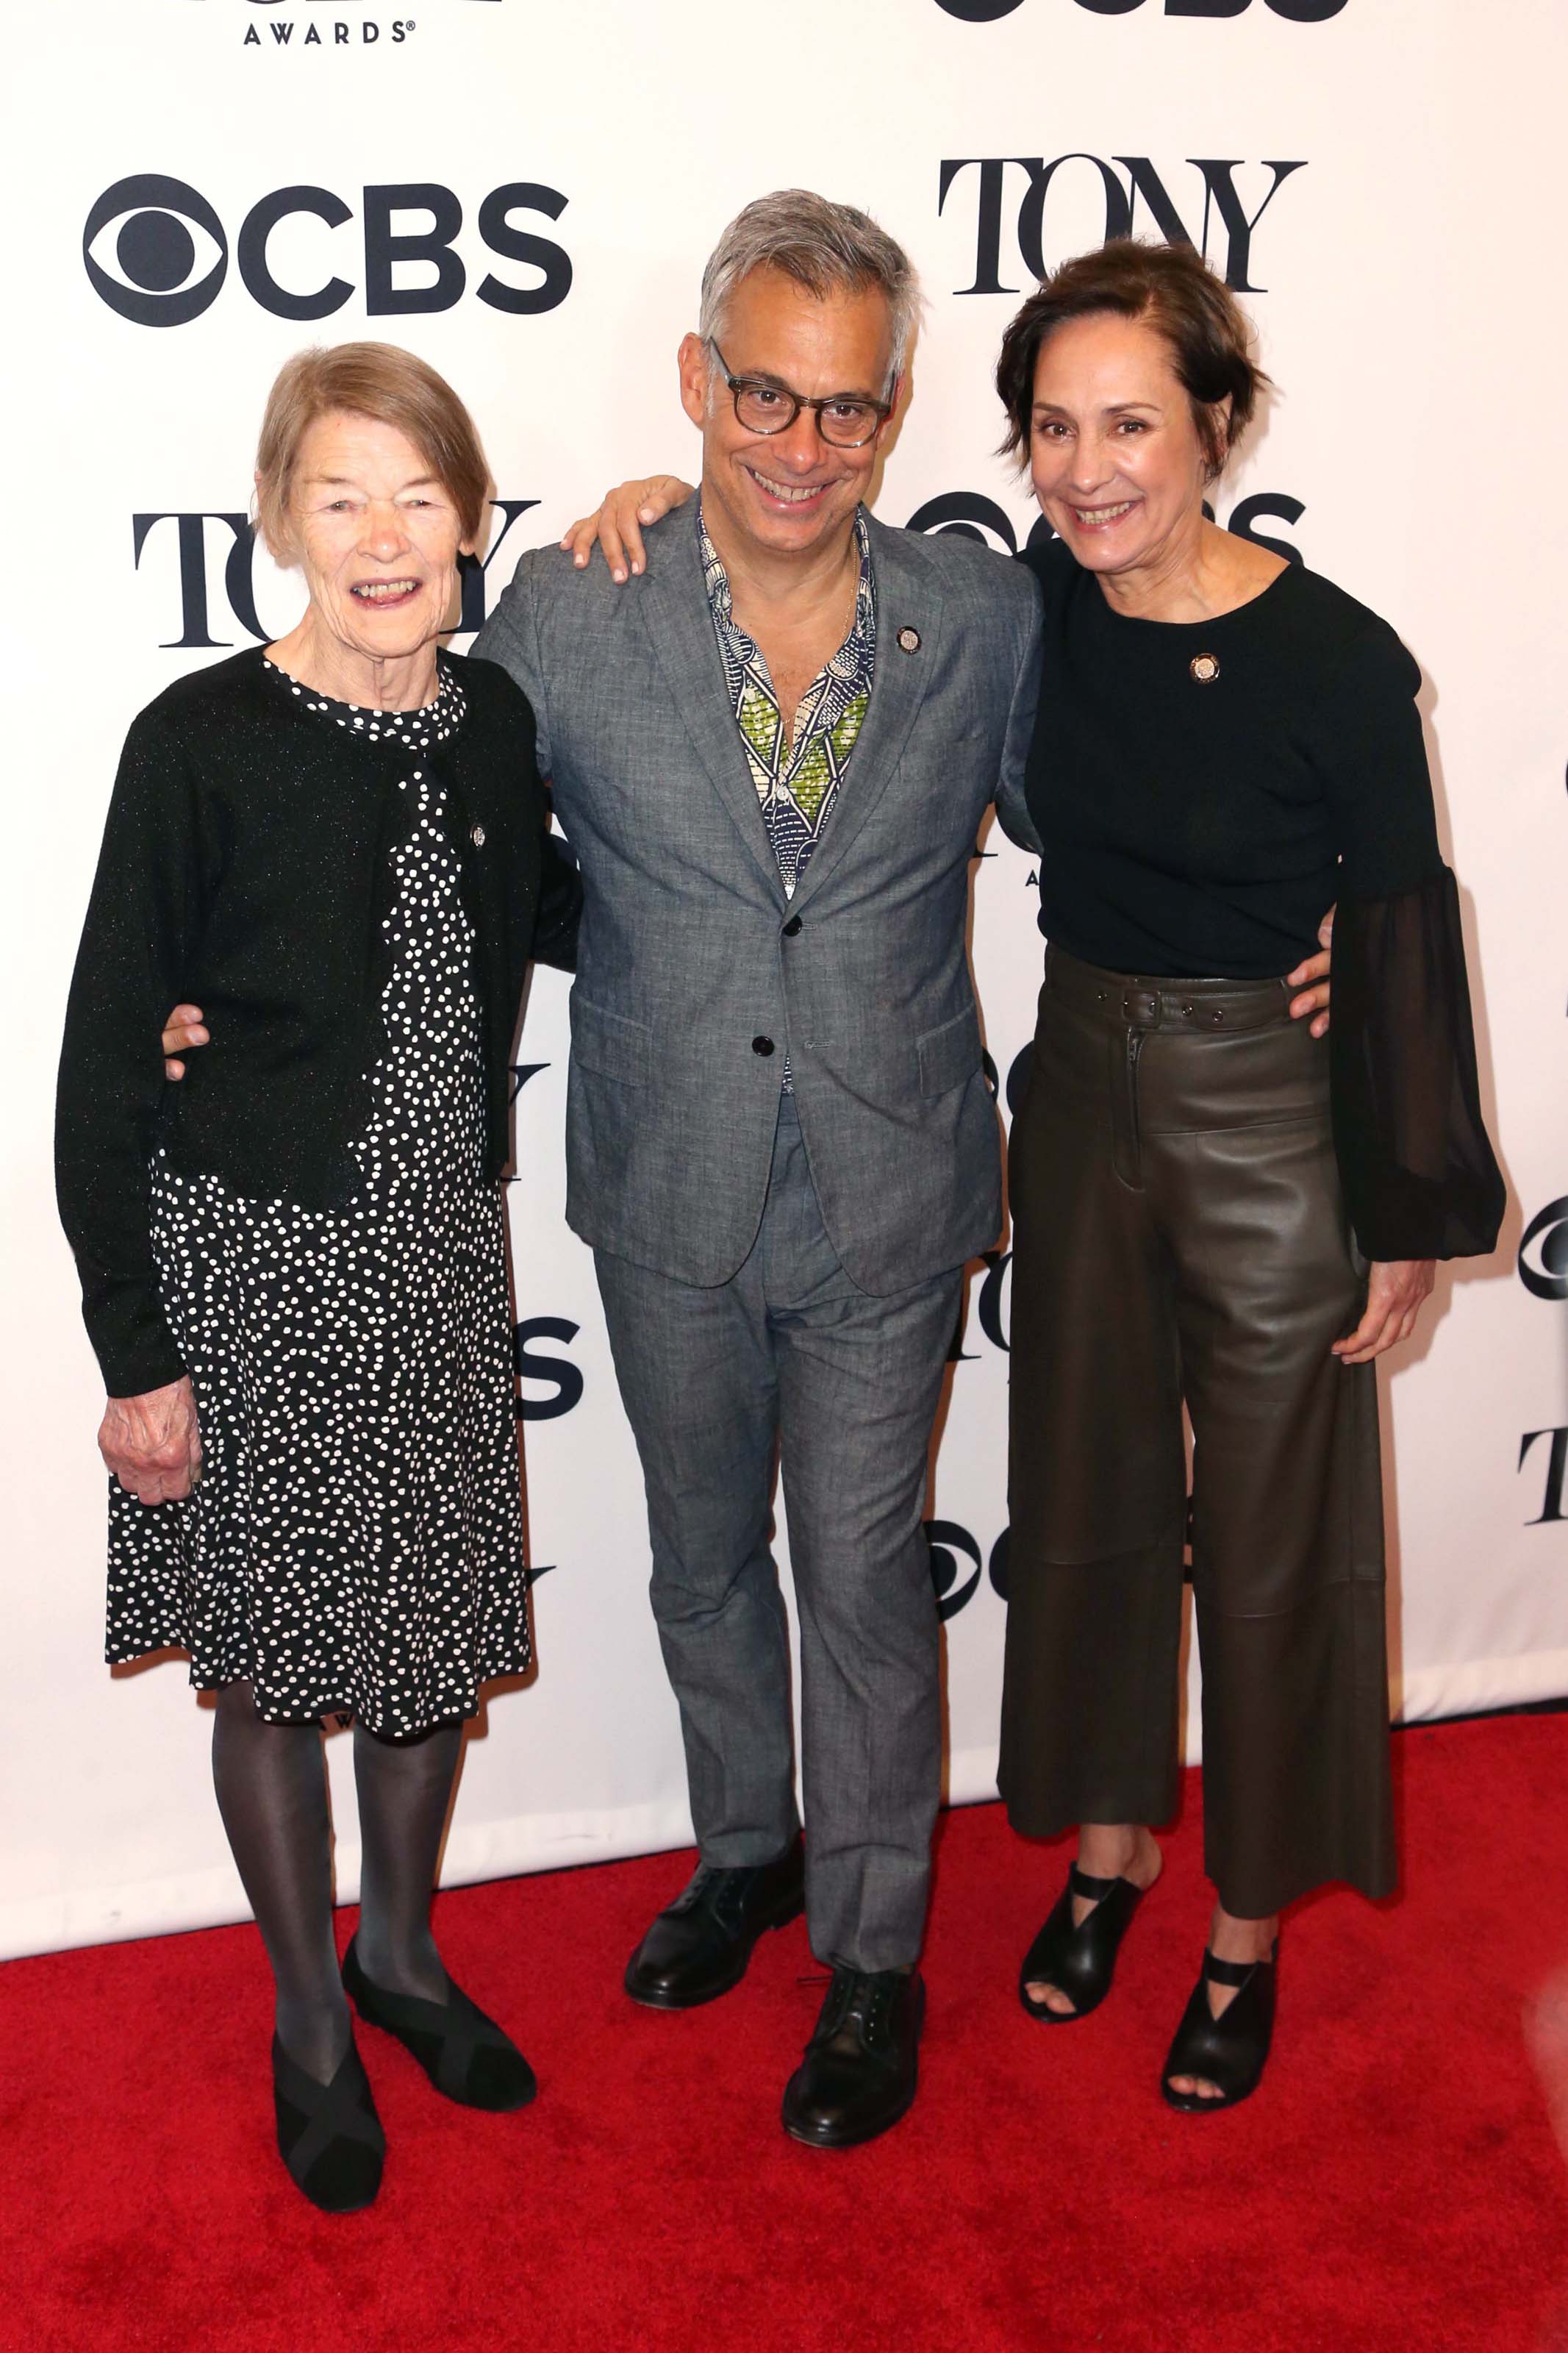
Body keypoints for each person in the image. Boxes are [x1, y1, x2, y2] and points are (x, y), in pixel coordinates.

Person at [57, 342, 579, 2212]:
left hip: (439, 1256)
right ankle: (305, 2011)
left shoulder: (497, 725)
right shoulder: (197, 741)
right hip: (253, 1264)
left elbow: (566, 909)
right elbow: (110, 1054)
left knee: (428, 1648)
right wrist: (138, 1350)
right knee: (278, 1673)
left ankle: (404, 1955)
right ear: (279, 520)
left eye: (417, 494)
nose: (382, 536)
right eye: (339, 494)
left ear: (469, 517)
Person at [991, 240, 1504, 2108]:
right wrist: (655, 490)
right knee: (1084, 1490)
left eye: (1127, 421)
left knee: (1282, 1534)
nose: (1084, 466)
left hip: (1270, 1118)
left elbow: (1394, 929)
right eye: (1050, 427)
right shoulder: (1029, 606)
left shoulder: (1338, 657)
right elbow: (825, 565)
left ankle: (1245, 1922)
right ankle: (1108, 1842)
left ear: (1219, 422)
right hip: (1074, 1098)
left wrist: (1403, 1206)